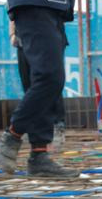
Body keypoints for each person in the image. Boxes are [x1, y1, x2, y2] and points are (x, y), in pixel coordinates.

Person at [0, 0, 102, 177]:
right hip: (34, 9)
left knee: (46, 83)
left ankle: (39, 155)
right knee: (49, 78)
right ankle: (12, 136)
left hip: (48, 12)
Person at [9, 20, 66, 151]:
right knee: (30, 85)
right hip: (24, 40)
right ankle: (34, 134)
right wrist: (12, 34)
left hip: (47, 36)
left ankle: (57, 125)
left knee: (50, 82)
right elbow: (12, 11)